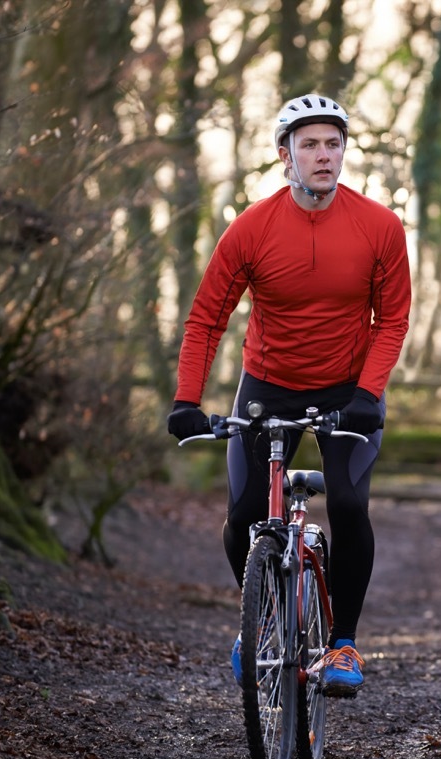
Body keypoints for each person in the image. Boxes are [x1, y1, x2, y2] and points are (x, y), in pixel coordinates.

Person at [166, 93, 411, 697]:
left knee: (350, 507)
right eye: (310, 145)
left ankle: (343, 642)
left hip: (347, 392)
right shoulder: (251, 228)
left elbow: (394, 321)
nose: (324, 155)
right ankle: (264, 621)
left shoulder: (379, 226)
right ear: (285, 157)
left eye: (333, 144)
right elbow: (205, 319)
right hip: (267, 386)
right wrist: (185, 400)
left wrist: (367, 392)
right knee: (244, 518)